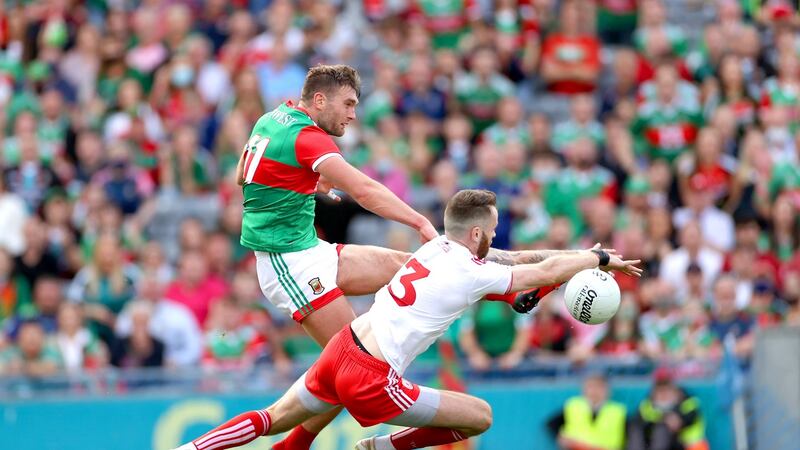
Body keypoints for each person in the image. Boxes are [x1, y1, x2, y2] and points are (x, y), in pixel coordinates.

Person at [173, 189, 642, 450]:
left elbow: (522, 258)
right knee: (480, 417)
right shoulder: (472, 272)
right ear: (476, 233)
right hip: (373, 376)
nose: (495, 235)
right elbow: (538, 272)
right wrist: (597, 259)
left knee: (274, 418)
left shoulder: (438, 247)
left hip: (343, 346)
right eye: (493, 229)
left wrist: (581, 256)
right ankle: (382, 448)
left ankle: (192, 449)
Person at [233, 64, 439, 450]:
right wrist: (419, 222)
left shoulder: (272, 118)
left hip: (310, 252)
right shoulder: (307, 138)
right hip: (288, 265)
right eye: (348, 104)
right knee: (355, 364)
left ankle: (508, 291)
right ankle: (292, 443)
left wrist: (304, 179)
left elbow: (243, 175)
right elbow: (364, 190)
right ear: (320, 100)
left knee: (407, 266)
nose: (353, 114)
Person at [626, 368, 708, 450]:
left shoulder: (689, 402)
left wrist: (678, 419)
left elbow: (689, 417)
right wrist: (664, 418)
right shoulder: (647, 404)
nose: (664, 393)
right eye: (660, 388)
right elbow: (638, 421)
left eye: (667, 388)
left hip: (686, 444)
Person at [547, 373, 627, 450]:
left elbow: (628, 434)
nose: (594, 391)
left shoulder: (618, 411)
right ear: (584, 390)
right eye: (590, 387)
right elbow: (552, 424)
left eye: (599, 387)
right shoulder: (573, 406)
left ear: (607, 390)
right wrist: (562, 439)